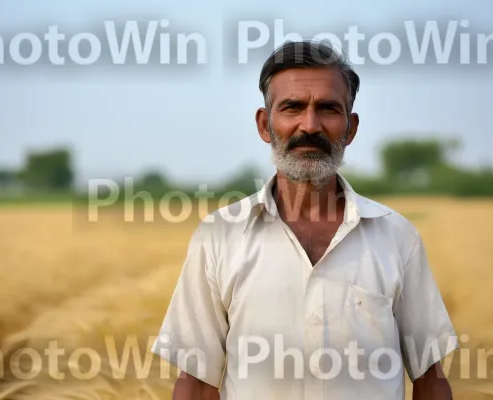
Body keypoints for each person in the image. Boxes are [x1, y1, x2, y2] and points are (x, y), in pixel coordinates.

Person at [151, 39, 458, 400]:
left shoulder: (396, 236)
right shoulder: (219, 236)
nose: (309, 126)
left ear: (351, 127)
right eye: (292, 107)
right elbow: (197, 385)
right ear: (265, 125)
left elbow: (430, 380)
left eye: (328, 108)